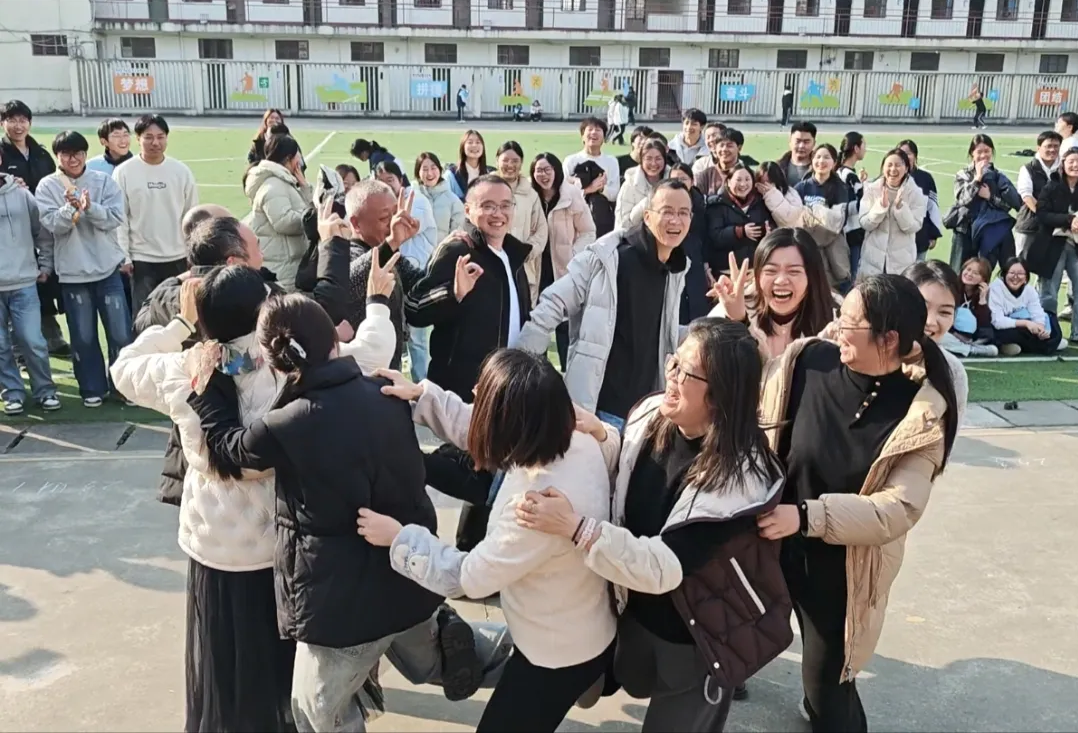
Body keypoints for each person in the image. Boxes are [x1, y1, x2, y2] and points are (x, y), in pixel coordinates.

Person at [184, 292, 511, 731]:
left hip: (342, 607)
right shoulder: (387, 391)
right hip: (410, 572)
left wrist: (206, 390)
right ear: (335, 342)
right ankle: (543, 657)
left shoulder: (289, 423)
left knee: (318, 713)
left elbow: (231, 448)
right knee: (432, 661)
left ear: (274, 362)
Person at [113, 262, 396, 733]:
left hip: (215, 548)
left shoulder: (184, 368)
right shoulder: (292, 368)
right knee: (290, 671)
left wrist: (181, 324)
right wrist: (378, 303)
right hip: (283, 544)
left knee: (227, 670)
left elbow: (123, 368)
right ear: (263, 312)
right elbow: (369, 352)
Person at [516, 318, 792, 731]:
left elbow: (662, 567)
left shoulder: (739, 478)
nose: (672, 377)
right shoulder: (654, 414)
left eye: (686, 372)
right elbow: (630, 471)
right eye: (673, 363)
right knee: (573, 674)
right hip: (636, 616)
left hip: (698, 639)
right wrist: (604, 437)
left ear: (722, 394)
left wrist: (577, 528)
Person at [359, 350, 619, 732]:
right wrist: (422, 396)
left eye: (484, 393)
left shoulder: (536, 508)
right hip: (575, 627)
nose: (475, 391)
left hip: (555, 655)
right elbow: (485, 427)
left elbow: (468, 577)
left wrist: (399, 537)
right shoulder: (574, 437)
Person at [756, 274, 960, 733]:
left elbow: (897, 509)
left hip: (839, 570)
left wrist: (805, 516)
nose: (837, 328)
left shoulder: (922, 413)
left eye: (850, 322)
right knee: (725, 642)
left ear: (889, 340)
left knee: (827, 698)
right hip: (767, 543)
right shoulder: (808, 361)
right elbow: (752, 405)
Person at [516, 178, 690, 425]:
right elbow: (553, 303)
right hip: (600, 410)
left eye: (683, 213)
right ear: (647, 216)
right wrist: (514, 371)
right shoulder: (608, 258)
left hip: (647, 411)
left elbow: (661, 331)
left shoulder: (675, 268)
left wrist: (727, 313)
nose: (676, 220)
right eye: (667, 211)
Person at [405, 173, 530, 401]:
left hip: (506, 386)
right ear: (467, 210)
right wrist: (453, 293)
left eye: (505, 206)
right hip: (462, 393)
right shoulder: (458, 251)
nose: (498, 214)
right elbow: (414, 308)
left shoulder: (513, 256)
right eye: (488, 206)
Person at [36, 131, 131, 409]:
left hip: (108, 270)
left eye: (78, 153)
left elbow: (114, 218)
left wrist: (90, 208)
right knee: (83, 336)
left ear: (86, 154)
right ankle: (92, 388)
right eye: (66, 154)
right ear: (57, 157)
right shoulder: (47, 186)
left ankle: (123, 387)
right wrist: (71, 209)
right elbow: (51, 225)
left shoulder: (103, 181)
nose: (73, 159)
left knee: (121, 334)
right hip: (72, 274)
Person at [1, 99, 68, 357]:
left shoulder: (40, 153)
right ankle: (19, 348)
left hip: (43, 225)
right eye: (12, 120)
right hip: (12, 227)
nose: (18, 126)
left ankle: (51, 335)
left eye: (22, 120)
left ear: (29, 122)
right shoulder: (2, 153)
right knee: (18, 286)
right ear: (3, 123)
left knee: (45, 280)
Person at [114, 113, 198, 312]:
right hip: (142, 259)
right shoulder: (124, 172)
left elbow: (192, 216)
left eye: (160, 137)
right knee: (145, 316)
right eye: (149, 137)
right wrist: (124, 256)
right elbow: (120, 218)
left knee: (179, 314)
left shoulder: (181, 171)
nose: (155, 143)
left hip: (178, 256)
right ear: (138, 139)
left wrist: (192, 253)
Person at [709, 227, 836, 359]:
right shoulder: (732, 309)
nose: (781, 280)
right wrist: (737, 321)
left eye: (793, 271)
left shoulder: (836, 315)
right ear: (757, 275)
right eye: (771, 271)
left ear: (812, 276)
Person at [0, 150, 60, 416]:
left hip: (24, 282)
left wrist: (45, 265)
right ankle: (12, 393)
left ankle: (45, 391)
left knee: (33, 340)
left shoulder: (21, 193)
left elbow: (42, 232)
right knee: (0, 346)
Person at [344, 181, 426, 371]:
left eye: (396, 215)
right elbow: (350, 281)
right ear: (356, 223)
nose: (394, 224)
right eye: (384, 219)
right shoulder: (345, 253)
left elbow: (419, 282)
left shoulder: (389, 253)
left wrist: (448, 254)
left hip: (390, 368)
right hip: (361, 373)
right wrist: (392, 242)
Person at [530, 152, 597, 367]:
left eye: (547, 169)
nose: (543, 175)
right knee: (536, 323)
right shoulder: (529, 197)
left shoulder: (571, 195)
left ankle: (569, 373)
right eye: (538, 170)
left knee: (564, 325)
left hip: (563, 269)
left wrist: (574, 256)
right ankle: (536, 373)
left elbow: (588, 231)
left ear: (556, 171)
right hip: (536, 268)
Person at [373, 160, 438, 379]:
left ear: (401, 180)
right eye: (381, 181)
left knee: (417, 339)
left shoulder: (415, 200)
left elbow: (407, 227)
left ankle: (420, 384)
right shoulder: (383, 204)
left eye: (390, 180)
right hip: (391, 278)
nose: (386, 185)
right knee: (392, 335)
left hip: (414, 277)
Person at [902, 260, 970, 423]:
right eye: (922, 307)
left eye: (945, 312)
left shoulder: (953, 370)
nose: (931, 322)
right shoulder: (868, 355)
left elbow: (950, 433)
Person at [243, 133, 312, 292]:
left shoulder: (284, 181)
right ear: (289, 158)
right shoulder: (274, 185)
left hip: (288, 261)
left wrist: (305, 187)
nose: (300, 159)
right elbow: (283, 222)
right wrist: (309, 216)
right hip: (282, 266)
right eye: (298, 155)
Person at [948, 134, 1021, 272]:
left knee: (985, 270)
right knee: (960, 271)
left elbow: (1008, 206)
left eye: (987, 151)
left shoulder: (998, 176)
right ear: (972, 153)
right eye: (979, 152)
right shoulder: (963, 175)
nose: (983, 155)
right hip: (965, 229)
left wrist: (990, 197)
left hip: (990, 229)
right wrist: (977, 179)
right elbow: (963, 200)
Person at [1030, 148, 1078, 334]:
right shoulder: (1052, 186)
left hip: (1075, 245)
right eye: (1071, 161)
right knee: (1049, 292)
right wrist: (1069, 220)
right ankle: (1048, 331)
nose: (1075, 165)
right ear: (1063, 164)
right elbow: (1042, 214)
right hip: (1052, 244)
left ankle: (1076, 332)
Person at [494, 141, 548, 306]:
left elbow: (541, 229)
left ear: (522, 162)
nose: (510, 165)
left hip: (524, 268)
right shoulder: (486, 188)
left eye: (515, 161)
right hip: (492, 266)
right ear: (497, 161)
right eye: (505, 160)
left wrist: (527, 251)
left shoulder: (530, 194)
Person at [858, 148, 927, 276]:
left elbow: (914, 227)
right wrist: (880, 207)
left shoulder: (915, 193)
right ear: (883, 168)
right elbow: (865, 223)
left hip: (901, 265)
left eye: (898, 165)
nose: (893, 169)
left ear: (906, 169)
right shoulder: (872, 190)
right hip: (872, 263)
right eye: (889, 165)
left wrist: (900, 208)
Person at [795, 143, 851, 291]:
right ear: (812, 160)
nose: (821, 161)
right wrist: (822, 214)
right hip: (806, 247)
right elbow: (795, 218)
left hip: (830, 248)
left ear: (834, 162)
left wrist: (812, 211)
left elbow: (837, 223)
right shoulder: (801, 187)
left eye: (827, 157)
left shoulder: (840, 188)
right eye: (818, 157)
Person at [989, 257, 1063, 355]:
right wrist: (1026, 323)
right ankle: (1044, 345)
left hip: (1027, 327)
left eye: (1020, 273)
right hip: (1005, 328)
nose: (1015, 277)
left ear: (1026, 277)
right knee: (1003, 333)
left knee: (1052, 320)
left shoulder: (1029, 290)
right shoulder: (995, 289)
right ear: (1004, 274)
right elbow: (997, 321)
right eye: (1012, 273)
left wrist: (1040, 328)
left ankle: (1031, 344)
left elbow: (1037, 312)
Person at [706, 163, 772, 270]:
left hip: (754, 267)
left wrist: (768, 232)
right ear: (728, 182)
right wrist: (740, 232)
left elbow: (771, 225)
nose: (743, 184)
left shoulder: (760, 202)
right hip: (725, 269)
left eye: (747, 179)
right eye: (738, 180)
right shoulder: (717, 204)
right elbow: (714, 236)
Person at [667, 163, 710, 324]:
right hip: (672, 256)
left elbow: (706, 236)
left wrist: (706, 266)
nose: (679, 183)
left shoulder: (701, 203)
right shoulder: (664, 202)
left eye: (683, 179)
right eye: (674, 179)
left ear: (692, 181)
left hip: (696, 258)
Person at [1013, 131, 1061, 259]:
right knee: (1021, 261)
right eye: (1048, 146)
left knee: (1050, 264)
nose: (1052, 150)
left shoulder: (1063, 168)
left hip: (1057, 228)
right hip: (1030, 224)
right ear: (1038, 148)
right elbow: (1027, 196)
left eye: (1056, 146)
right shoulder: (1028, 169)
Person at [897, 139, 944, 263]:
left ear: (915, 156)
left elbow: (932, 207)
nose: (905, 157)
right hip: (897, 240)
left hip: (920, 237)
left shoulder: (925, 178)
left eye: (908, 153)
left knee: (918, 272)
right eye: (901, 153)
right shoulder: (892, 177)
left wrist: (933, 235)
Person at [945, 256, 998, 357]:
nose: (969, 274)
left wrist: (982, 300)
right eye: (968, 269)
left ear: (983, 279)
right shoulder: (951, 288)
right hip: (951, 334)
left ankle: (966, 348)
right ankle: (973, 350)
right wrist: (954, 334)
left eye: (975, 273)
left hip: (972, 338)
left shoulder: (986, 293)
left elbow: (985, 326)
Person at [562, 117, 621, 207]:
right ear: (582, 136)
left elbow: (615, 195)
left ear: (604, 138)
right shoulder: (570, 161)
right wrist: (589, 189)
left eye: (598, 130)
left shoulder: (611, 161)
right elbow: (563, 193)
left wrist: (602, 188)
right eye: (590, 129)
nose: (593, 132)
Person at [615, 138, 669, 230]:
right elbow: (623, 224)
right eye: (648, 158)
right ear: (641, 160)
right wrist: (649, 200)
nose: (653, 163)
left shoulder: (673, 182)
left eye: (658, 159)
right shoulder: (629, 185)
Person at [415, 152, 465, 245]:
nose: (430, 173)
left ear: (440, 170)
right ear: (418, 173)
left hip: (444, 251)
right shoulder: (413, 198)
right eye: (425, 169)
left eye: (433, 168)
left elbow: (458, 234)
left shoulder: (453, 200)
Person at [836, 132, 867, 277]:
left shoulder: (840, 172)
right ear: (856, 148)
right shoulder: (850, 176)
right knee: (854, 276)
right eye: (864, 145)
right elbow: (861, 205)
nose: (865, 149)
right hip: (853, 231)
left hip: (842, 231)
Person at [755, 162, 805, 229]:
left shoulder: (791, 194)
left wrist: (772, 195)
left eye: (769, 182)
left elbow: (791, 220)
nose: (765, 186)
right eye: (762, 183)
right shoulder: (752, 196)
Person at [447, 129, 493, 200]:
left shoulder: (491, 173)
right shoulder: (451, 175)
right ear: (463, 147)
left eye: (478, 142)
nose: (474, 145)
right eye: (470, 142)